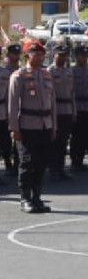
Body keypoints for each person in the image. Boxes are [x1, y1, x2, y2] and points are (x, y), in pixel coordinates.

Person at [9, 39, 56, 213]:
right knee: (27, 163)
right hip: (27, 126)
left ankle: (36, 197)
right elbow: (13, 106)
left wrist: (54, 126)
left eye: (41, 53)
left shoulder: (47, 75)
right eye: (35, 53)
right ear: (27, 55)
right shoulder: (19, 76)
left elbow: (53, 104)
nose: (39, 56)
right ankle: (25, 198)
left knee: (41, 163)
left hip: (45, 126)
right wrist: (14, 129)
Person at [48, 44, 76, 180]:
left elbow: (72, 93)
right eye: (61, 55)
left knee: (64, 141)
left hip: (67, 110)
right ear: (54, 54)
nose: (64, 57)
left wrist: (74, 111)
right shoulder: (49, 71)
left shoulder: (69, 71)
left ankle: (61, 168)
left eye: (65, 55)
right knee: (55, 142)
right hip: (56, 111)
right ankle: (53, 169)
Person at [71, 45, 88, 172]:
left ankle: (80, 161)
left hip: (87, 107)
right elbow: (71, 92)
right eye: (82, 55)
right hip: (77, 107)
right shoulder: (72, 71)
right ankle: (74, 161)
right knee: (76, 136)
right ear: (76, 56)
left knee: (85, 136)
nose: (85, 58)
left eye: (86, 56)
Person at [4, 43, 21, 178]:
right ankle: (8, 163)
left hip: (18, 110)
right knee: (5, 139)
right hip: (4, 110)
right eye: (14, 53)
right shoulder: (4, 71)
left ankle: (17, 164)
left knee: (18, 139)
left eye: (18, 53)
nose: (16, 56)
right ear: (8, 55)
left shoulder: (21, 71)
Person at [0, 46, 13, 183]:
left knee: (4, 142)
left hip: (2, 111)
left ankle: (8, 164)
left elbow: (9, 95)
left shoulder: (5, 73)